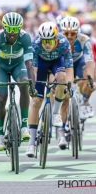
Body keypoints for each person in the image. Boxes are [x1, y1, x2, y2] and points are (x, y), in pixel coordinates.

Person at [26, 22, 73, 157]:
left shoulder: (64, 42)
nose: (47, 44)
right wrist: (33, 86)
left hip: (56, 63)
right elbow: (33, 69)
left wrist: (68, 85)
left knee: (62, 77)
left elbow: (69, 68)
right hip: (40, 65)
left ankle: (56, 112)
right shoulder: (35, 44)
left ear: (56, 39)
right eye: (44, 41)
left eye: (50, 41)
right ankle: (31, 143)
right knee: (35, 102)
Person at [0, 12, 35, 151]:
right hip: (1, 67)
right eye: (9, 29)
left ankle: (24, 125)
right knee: (2, 97)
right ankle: (0, 134)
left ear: (20, 28)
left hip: (17, 65)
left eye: (16, 29)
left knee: (24, 84)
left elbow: (29, 63)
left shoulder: (25, 37)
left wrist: (32, 84)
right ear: (4, 28)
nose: (13, 33)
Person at [61, 17, 96, 119]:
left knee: (90, 78)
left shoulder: (84, 39)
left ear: (78, 32)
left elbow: (90, 60)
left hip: (79, 61)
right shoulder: (58, 39)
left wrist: (91, 78)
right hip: (65, 62)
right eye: (66, 33)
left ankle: (85, 102)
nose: (69, 36)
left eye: (72, 33)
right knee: (63, 91)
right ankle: (63, 127)